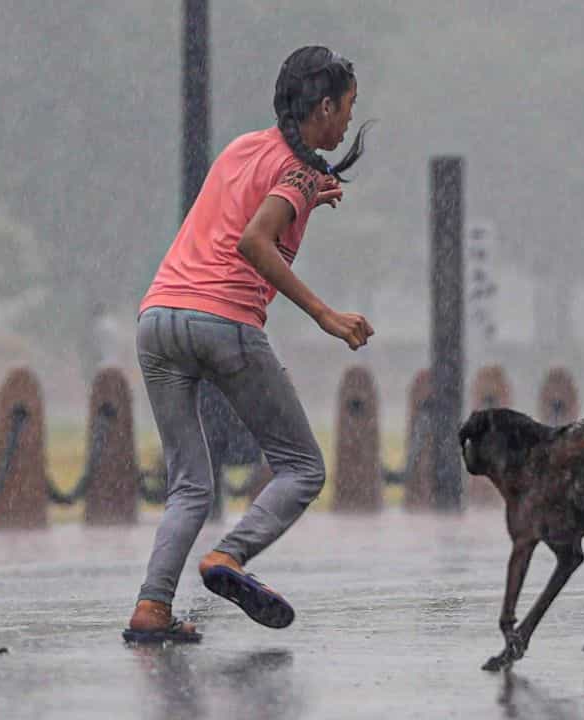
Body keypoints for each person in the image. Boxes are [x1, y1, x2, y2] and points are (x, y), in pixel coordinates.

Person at [123, 46, 375, 643]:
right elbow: (254, 242)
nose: (345, 123)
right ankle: (228, 558)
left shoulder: (245, 148)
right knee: (303, 468)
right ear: (322, 107)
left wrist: (312, 190)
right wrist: (325, 314)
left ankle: (152, 608)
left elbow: (243, 206)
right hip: (222, 321)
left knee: (189, 482)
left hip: (158, 319)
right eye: (346, 108)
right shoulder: (298, 173)